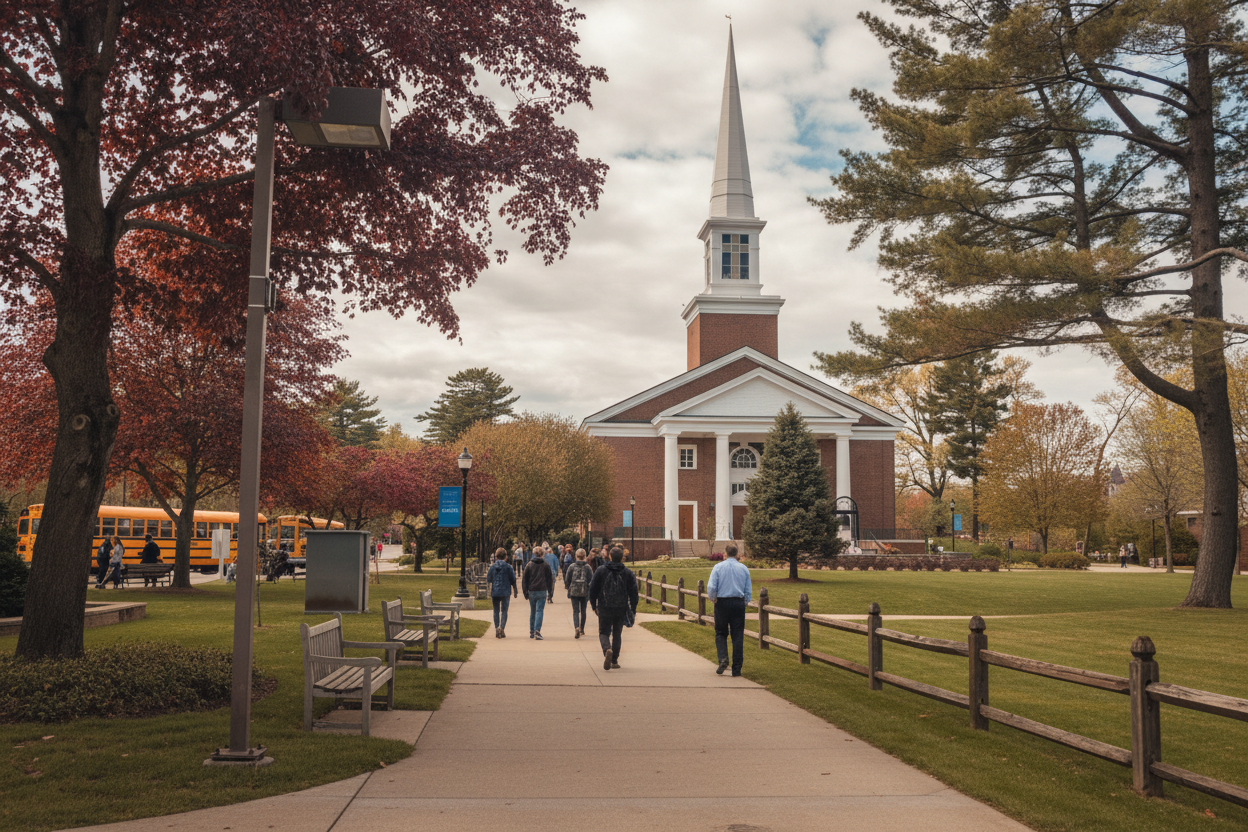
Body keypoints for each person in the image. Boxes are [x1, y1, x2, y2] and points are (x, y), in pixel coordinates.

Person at [588, 546, 638, 671]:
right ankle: (614, 660)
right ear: (622, 558)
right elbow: (634, 593)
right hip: (621, 607)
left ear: (610, 556)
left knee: (604, 632)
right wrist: (633, 609)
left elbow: (593, 589)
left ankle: (607, 649)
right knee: (617, 633)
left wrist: (594, 605)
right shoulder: (627, 572)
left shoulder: (601, 570)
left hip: (605, 606)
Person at [707, 542, 752, 676]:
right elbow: (748, 589)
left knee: (721, 632)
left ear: (725, 554)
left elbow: (711, 587)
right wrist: (745, 602)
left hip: (722, 602)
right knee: (737, 635)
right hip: (738, 602)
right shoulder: (743, 569)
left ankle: (723, 658)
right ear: (737, 554)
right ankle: (737, 668)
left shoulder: (718, 567)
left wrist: (713, 598)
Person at [522, 548, 556, 639]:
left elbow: (524, 579)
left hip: (532, 590)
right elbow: (550, 580)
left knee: (533, 611)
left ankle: (532, 631)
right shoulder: (546, 565)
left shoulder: (529, 565)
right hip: (542, 590)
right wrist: (550, 592)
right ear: (542, 554)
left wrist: (525, 591)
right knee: (539, 611)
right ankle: (537, 630)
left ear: (534, 553)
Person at [486, 548, 518, 638]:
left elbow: (489, 579)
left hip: (495, 591)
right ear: (506, 556)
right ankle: (502, 628)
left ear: (496, 557)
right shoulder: (508, 567)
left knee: (496, 611)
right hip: (505, 591)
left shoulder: (492, 567)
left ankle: (496, 628)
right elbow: (513, 580)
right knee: (504, 611)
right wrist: (515, 590)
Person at [564, 548, 594, 638]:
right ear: (585, 556)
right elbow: (591, 580)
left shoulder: (572, 566)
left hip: (574, 590)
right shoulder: (588, 567)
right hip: (584, 591)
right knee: (583, 610)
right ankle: (582, 629)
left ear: (576, 556)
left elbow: (567, 578)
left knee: (575, 611)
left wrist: (568, 587)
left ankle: (576, 627)